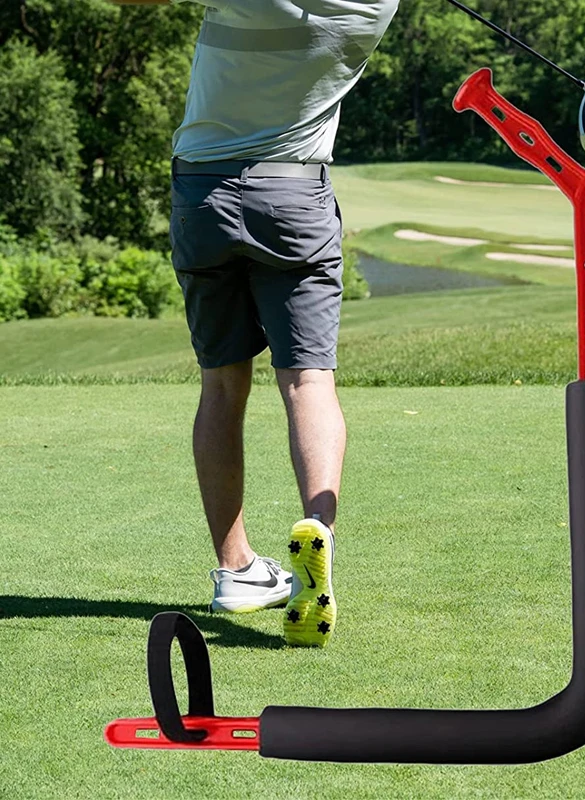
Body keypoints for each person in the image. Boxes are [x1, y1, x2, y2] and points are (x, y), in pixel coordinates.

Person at [112, 0, 399, 646]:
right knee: (308, 381)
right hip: (294, 197)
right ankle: (318, 531)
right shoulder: (372, 8)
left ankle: (237, 569)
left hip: (203, 194)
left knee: (221, 384)